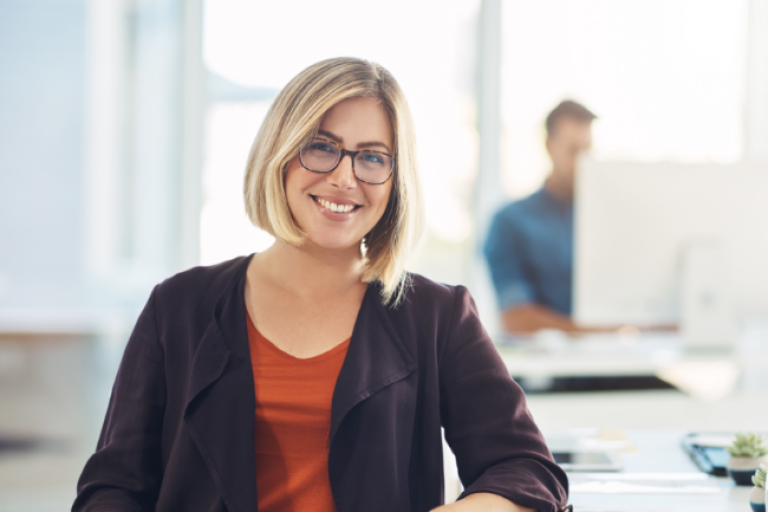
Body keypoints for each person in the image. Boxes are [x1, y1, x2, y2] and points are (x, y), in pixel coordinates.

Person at [73, 58, 568, 512]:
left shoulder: (436, 315)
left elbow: (527, 469)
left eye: (372, 158)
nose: (345, 177)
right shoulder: (179, 306)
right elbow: (113, 488)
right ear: (281, 154)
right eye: (321, 147)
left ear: (396, 181)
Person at [484, 100, 596, 336]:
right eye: (574, 151)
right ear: (549, 146)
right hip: (547, 367)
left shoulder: (608, 221)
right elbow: (516, 318)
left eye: (588, 151)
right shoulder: (510, 221)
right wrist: (602, 331)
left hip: (621, 361)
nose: (583, 163)